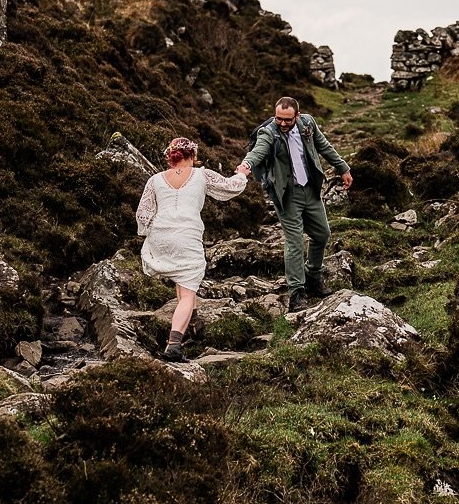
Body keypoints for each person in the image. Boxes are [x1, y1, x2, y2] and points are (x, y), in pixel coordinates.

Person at [136, 137, 250, 362]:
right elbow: (230, 187)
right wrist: (242, 173)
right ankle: (174, 345)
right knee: (188, 292)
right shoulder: (202, 175)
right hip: (187, 236)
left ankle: (195, 322)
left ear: (170, 157)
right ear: (193, 156)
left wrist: (151, 232)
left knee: (183, 279)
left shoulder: (155, 180)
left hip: (161, 235)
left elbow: (143, 214)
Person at [241, 96, 352, 313]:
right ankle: (296, 291)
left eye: (287, 120)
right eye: (278, 119)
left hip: (310, 189)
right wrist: (246, 164)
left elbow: (324, 146)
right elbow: (259, 150)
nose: (282, 123)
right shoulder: (269, 132)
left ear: (297, 116)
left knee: (322, 234)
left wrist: (343, 168)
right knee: (294, 241)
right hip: (287, 193)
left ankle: (313, 276)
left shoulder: (308, 124)